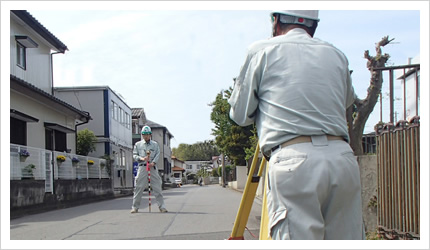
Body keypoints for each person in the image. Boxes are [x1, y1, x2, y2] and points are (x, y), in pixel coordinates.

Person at [228, 10, 364, 240]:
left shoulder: (261, 50)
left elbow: (240, 115)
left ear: (276, 21)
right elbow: (348, 99)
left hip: (293, 161)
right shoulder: (337, 54)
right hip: (343, 160)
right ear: (314, 26)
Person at [131, 125, 168, 213]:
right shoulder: (138, 144)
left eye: (147, 134)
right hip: (142, 167)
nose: (146, 136)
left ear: (150, 135)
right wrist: (142, 158)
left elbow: (158, 154)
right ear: (142, 135)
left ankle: (162, 207)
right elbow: (134, 155)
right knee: (138, 188)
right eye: (144, 134)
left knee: (157, 188)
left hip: (152, 167)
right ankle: (135, 207)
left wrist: (153, 162)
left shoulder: (155, 144)